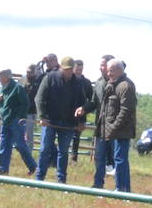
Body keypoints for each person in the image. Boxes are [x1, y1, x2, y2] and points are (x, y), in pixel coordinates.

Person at [34, 55, 84, 183]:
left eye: (70, 69)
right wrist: (42, 117)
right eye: (65, 69)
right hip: (50, 121)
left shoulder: (78, 83)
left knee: (63, 152)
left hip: (68, 123)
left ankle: (61, 180)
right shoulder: (50, 78)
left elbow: (82, 103)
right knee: (45, 149)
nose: (67, 72)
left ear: (73, 69)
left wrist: (81, 122)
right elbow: (39, 98)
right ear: (61, 67)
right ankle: (39, 178)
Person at [92, 59, 136, 193]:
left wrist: (114, 127)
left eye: (111, 70)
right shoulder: (111, 85)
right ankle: (123, 189)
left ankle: (121, 189)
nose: (108, 73)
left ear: (119, 70)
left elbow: (126, 110)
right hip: (112, 130)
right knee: (118, 159)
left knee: (120, 160)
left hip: (121, 131)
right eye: (108, 70)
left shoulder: (125, 86)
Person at [0, 68, 37, 176]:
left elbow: (25, 103)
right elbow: (0, 104)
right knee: (4, 145)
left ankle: (32, 166)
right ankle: (3, 169)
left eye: (0, 76)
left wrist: (19, 117)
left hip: (15, 121)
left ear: (7, 77)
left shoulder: (17, 88)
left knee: (20, 145)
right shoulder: (3, 89)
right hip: (6, 121)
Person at [70, 59, 93, 162]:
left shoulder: (86, 83)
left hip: (80, 114)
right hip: (66, 113)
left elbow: (91, 101)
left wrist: (84, 112)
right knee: (63, 136)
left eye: (81, 69)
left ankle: (73, 159)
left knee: (76, 137)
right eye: (77, 69)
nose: (79, 71)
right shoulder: (67, 80)